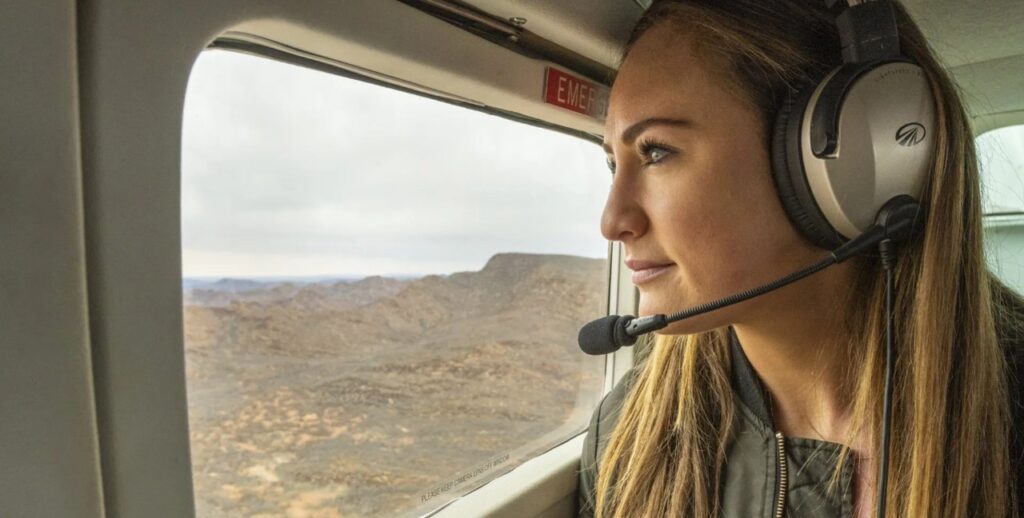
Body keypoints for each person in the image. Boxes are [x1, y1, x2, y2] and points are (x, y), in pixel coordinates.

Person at [576, 1, 1024, 517]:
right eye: (612, 163)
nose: (613, 221)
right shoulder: (627, 437)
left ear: (842, 159)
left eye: (656, 151)